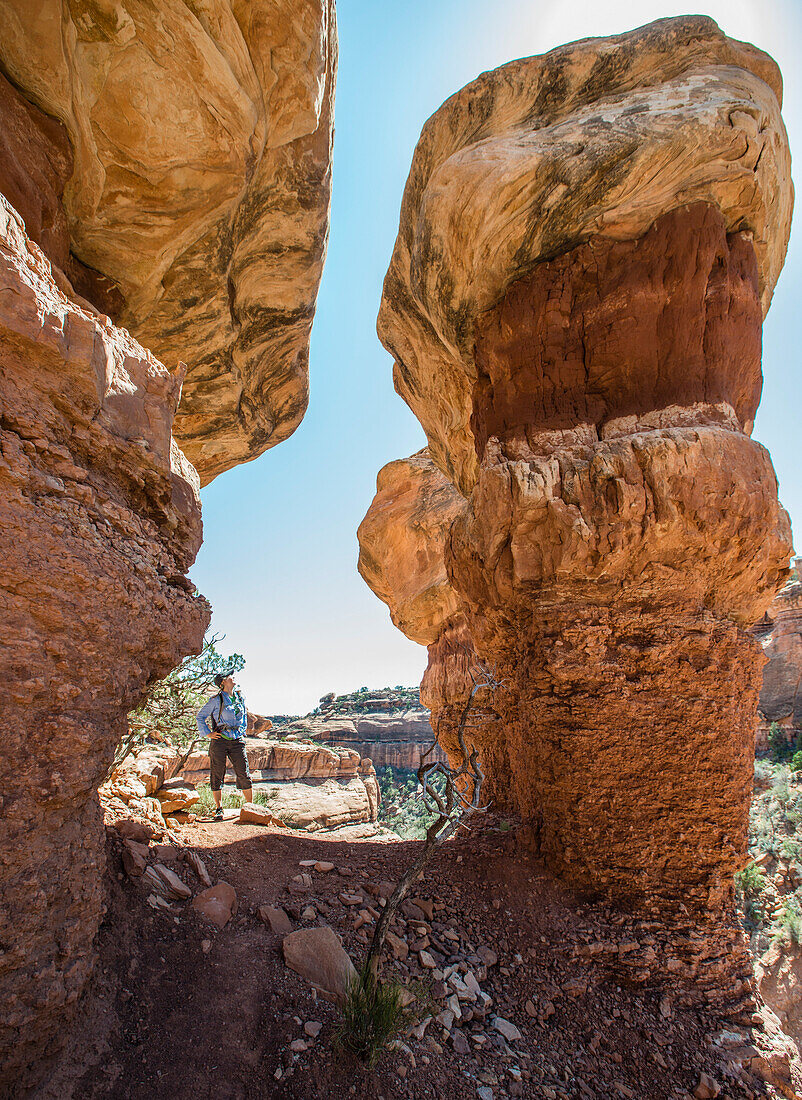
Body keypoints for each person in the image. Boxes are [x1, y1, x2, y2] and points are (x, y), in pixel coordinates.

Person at [196, 672, 252, 820]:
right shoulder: (216, 700)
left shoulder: (240, 697)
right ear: (222, 683)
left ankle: (251, 807)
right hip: (220, 740)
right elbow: (200, 716)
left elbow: (244, 717)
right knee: (217, 772)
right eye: (229, 676)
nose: (233, 678)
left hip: (237, 740)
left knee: (243, 771)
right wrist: (207, 733)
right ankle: (219, 808)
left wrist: (242, 732)